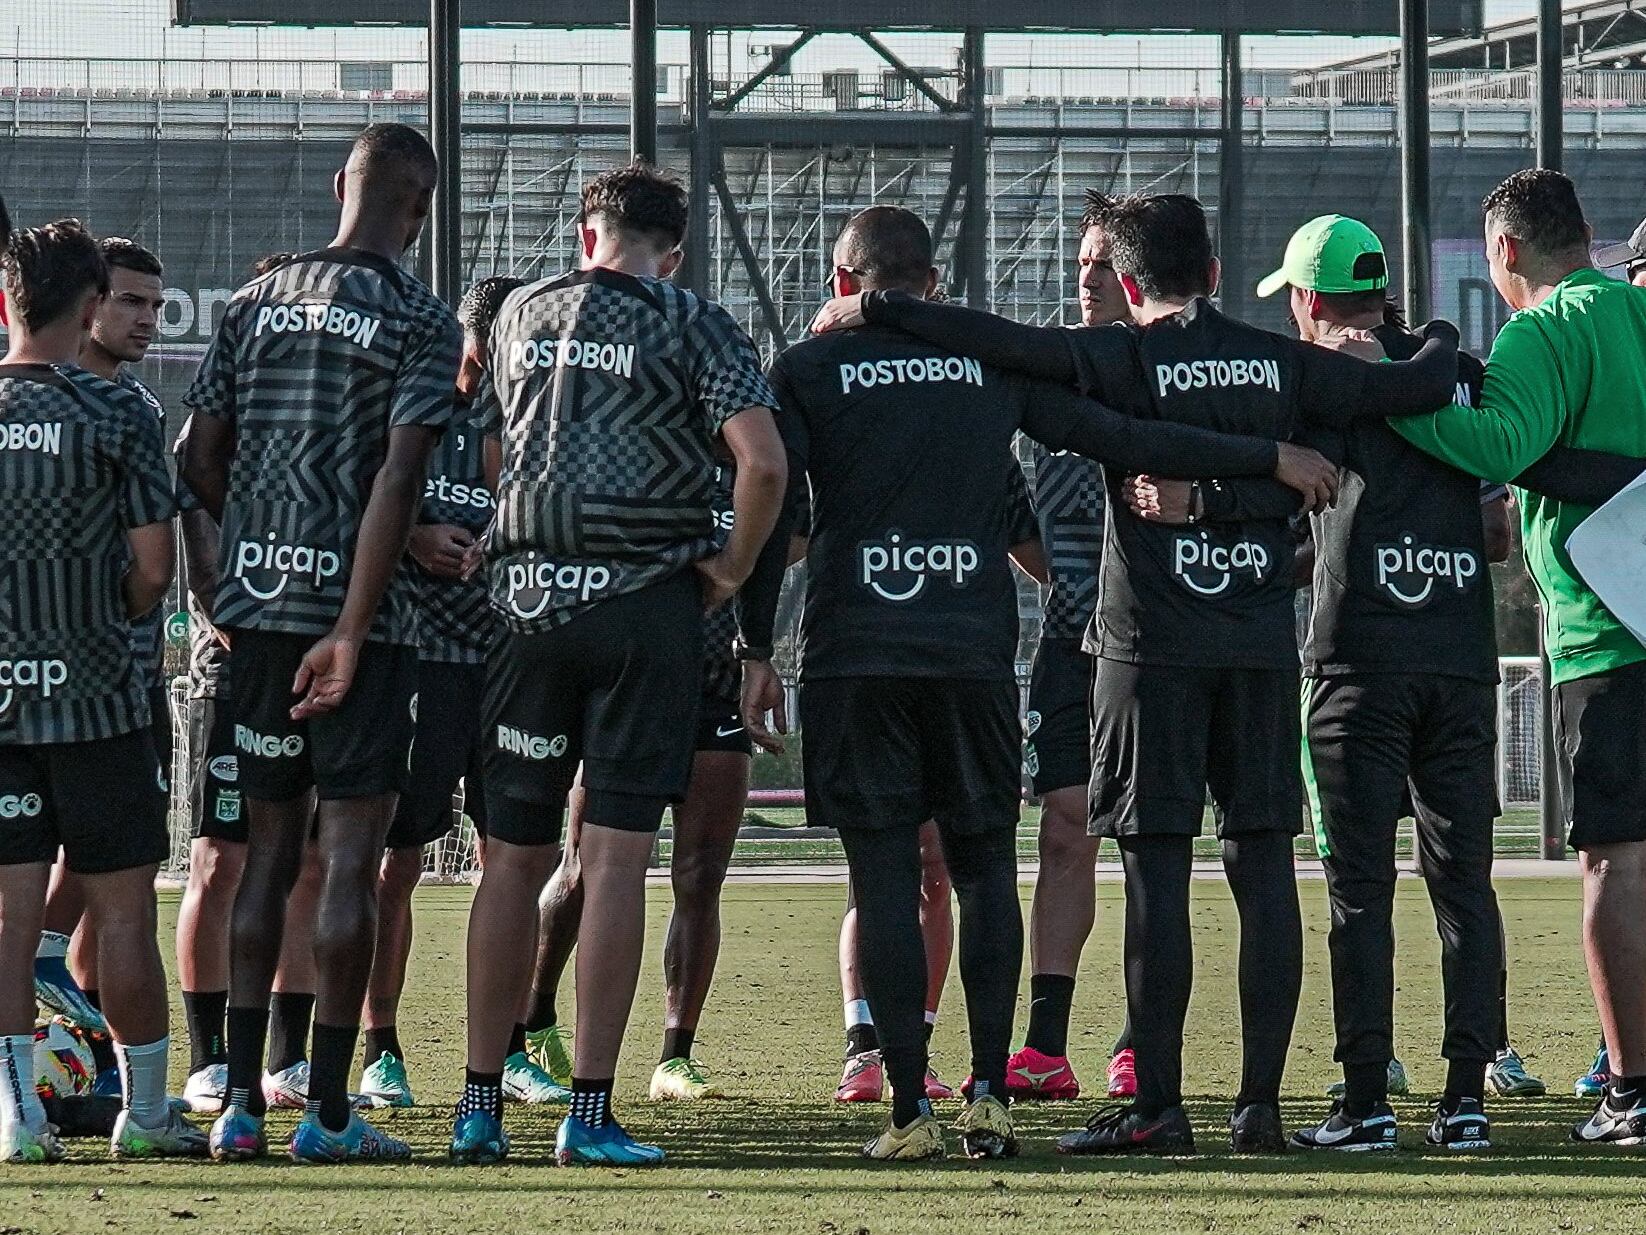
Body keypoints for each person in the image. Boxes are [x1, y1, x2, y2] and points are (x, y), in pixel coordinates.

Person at [809, 192, 1460, 1156]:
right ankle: (1259, 1106)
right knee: (1262, 868)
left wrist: (875, 307)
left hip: (1148, 651)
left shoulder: (1118, 356)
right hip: (1257, 648)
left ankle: (1158, 1103)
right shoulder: (1280, 361)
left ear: (1124, 280)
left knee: (1157, 873)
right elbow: (1417, 387)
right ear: (1214, 273)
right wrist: (1439, 334)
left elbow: (1001, 344)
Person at [452, 162, 788, 1168]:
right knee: (614, 861)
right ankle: (589, 1113)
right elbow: (764, 463)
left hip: (525, 607)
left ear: (582, 233)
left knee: (511, 861)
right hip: (644, 610)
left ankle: (479, 1106)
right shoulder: (693, 321)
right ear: (671, 253)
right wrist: (730, 570)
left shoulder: (520, 313)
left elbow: (493, 451)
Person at [182, 123, 461, 1164]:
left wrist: (258, 546)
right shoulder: (420, 318)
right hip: (368, 629)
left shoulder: (255, 300)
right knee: (349, 857)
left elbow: (196, 455)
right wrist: (347, 623)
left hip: (257, 614)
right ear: (419, 211)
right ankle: (330, 1113)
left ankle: (239, 1105)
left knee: (263, 857)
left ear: (340, 183)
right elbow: (399, 476)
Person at [1390, 169, 1646, 1146]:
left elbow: (1494, 442)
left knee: (1615, 858)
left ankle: (1629, 1088)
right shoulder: (1634, 309)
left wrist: (1386, 395)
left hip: (1602, 627)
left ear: (1503, 250)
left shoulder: (1541, 330)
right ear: (1583, 231)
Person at [0, 218, 204, 1161]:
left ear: (6, 301)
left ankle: (16, 1116)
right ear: (89, 308)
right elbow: (155, 571)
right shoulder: (121, 413)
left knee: (10, 919)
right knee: (123, 914)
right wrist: (96, 617)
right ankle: (147, 1114)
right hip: (101, 701)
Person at [355, 275, 519, 1110]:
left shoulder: (534, 415)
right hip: (421, 659)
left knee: (514, 857)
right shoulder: (415, 411)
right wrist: (416, 535)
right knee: (398, 857)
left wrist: (504, 543)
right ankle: (380, 1046)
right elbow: (362, 501)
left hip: (508, 661)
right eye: (490, 354)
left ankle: (510, 1047)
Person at [835, 467, 1045, 1106]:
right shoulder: (859, 434)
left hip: (948, 668)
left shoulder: (980, 448)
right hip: (884, 662)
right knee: (881, 878)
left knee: (935, 873)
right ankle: (867, 1047)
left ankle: (918, 1058)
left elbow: (1034, 552)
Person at [31, 236, 171, 1084]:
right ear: (88, 306)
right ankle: (45, 959)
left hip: (130, 673)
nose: (147, 319)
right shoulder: (63, 404)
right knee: (86, 877)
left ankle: (93, 1063)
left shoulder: (139, 406)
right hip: (77, 681)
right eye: (130, 301)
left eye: (157, 305)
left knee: (116, 875)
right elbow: (148, 567)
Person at [1011, 189, 1134, 1104]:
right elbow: (1022, 523)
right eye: (1081, 261)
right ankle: (1045, 1046)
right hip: (1071, 645)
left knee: (1151, 845)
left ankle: (1141, 1039)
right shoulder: (1045, 372)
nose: (1085, 276)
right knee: (1064, 828)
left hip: (1163, 650)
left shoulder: (1180, 369)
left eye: (1102, 262)